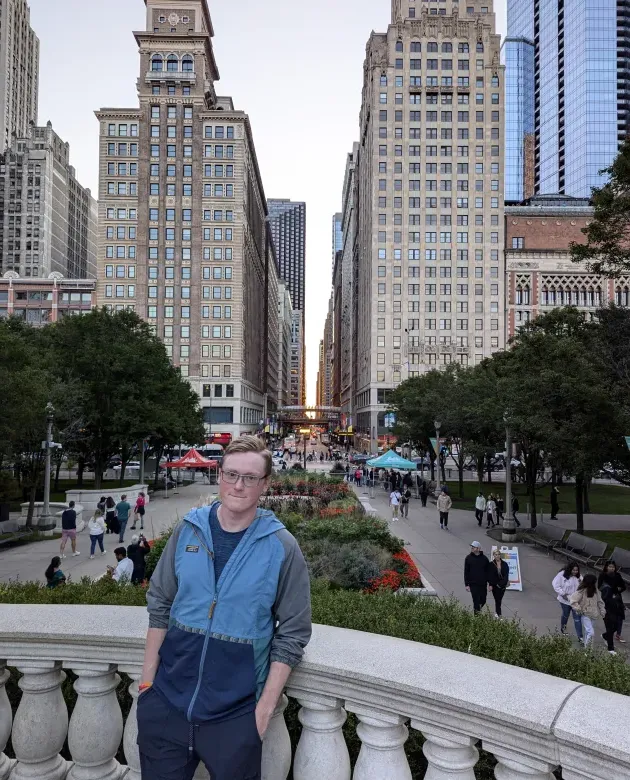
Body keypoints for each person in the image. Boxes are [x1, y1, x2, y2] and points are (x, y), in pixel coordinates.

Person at [138, 435, 311, 779]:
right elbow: (159, 605)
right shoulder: (188, 530)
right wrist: (146, 688)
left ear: (265, 484)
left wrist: (262, 711)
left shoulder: (282, 547)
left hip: (236, 720)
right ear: (219, 475)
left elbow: (293, 632)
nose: (238, 485)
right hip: (166, 709)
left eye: (250, 477)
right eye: (231, 474)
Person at [570, 574, 605, 647]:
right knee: (591, 632)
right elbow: (573, 601)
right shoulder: (581, 591)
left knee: (588, 632)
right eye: (593, 582)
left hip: (594, 614)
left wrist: (602, 610)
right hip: (585, 615)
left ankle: (587, 650)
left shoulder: (595, 591)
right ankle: (588, 651)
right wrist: (579, 609)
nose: (594, 584)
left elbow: (600, 601)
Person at [552, 563, 584, 641]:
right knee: (566, 614)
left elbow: (583, 586)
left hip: (575, 601)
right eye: (573, 570)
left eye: (577, 570)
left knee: (577, 618)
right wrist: (563, 594)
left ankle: (580, 637)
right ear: (570, 569)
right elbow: (555, 585)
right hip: (565, 600)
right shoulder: (562, 575)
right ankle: (563, 628)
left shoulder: (579, 577)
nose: (575, 572)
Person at [598, 560, 626, 645]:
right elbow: (599, 587)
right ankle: (609, 637)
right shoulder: (602, 575)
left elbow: (623, 587)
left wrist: (617, 590)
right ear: (606, 567)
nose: (611, 568)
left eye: (613, 567)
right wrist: (610, 590)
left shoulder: (618, 575)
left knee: (619, 619)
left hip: (617, 599)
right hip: (607, 600)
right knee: (610, 620)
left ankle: (607, 635)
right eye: (610, 567)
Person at [464, 542, 489, 614]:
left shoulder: (484, 559)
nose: (472, 548)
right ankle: (476, 616)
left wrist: (490, 583)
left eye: (474, 547)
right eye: (472, 547)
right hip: (473, 584)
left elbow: (488, 571)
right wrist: (467, 584)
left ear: (478, 548)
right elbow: (466, 572)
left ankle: (478, 610)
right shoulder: (468, 558)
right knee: (476, 600)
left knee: (483, 600)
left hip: (482, 584)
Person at [487, 548, 510, 619]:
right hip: (495, 585)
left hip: (502, 585)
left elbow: (506, 575)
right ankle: (499, 614)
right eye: (496, 554)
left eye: (498, 554)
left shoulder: (505, 564)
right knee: (497, 599)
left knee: (499, 599)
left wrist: (501, 584)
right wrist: (491, 584)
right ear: (493, 555)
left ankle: (497, 613)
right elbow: (489, 575)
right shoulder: (491, 564)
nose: (497, 556)